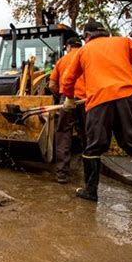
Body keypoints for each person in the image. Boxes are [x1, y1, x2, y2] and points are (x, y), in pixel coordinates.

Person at [62, 19, 132, 209]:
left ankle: (90, 191)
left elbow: (68, 78)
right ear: (104, 33)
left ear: (87, 37)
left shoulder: (83, 51)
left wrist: (68, 97)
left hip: (99, 102)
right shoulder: (124, 42)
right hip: (126, 98)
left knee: (93, 147)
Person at [49, 37, 86, 184]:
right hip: (86, 99)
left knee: (64, 133)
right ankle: (89, 171)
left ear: (68, 47)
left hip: (67, 99)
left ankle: (61, 174)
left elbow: (52, 84)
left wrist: (61, 96)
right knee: (87, 133)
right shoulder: (86, 56)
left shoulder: (62, 61)